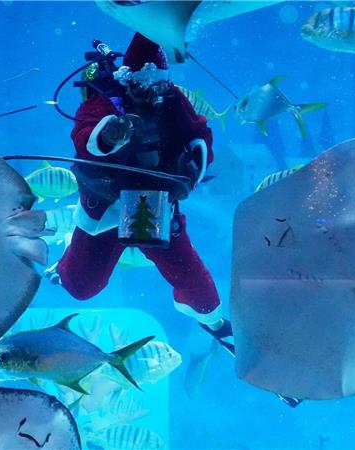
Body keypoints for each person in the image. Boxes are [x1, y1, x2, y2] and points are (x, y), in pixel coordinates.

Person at [45, 33, 234, 353]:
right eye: (141, 78)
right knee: (82, 286)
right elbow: (84, 134)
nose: (149, 88)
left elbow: (200, 134)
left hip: (152, 203)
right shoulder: (105, 99)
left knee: (196, 286)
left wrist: (193, 167)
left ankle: (214, 321)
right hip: (106, 205)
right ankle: (64, 261)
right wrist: (110, 135)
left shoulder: (172, 99)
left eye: (156, 80)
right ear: (126, 77)